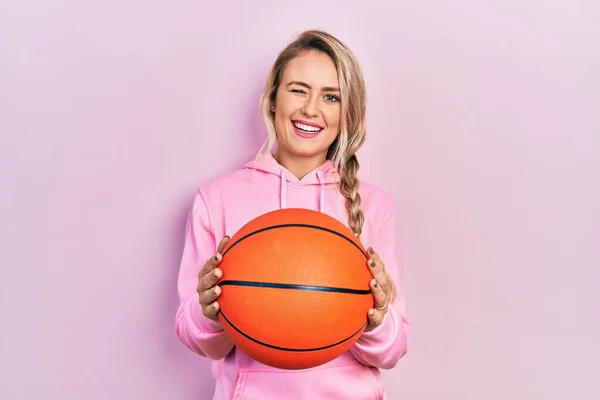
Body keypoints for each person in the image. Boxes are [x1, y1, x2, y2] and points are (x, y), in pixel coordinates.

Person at [175, 29, 409, 399]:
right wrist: (207, 309)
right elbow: (202, 342)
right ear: (272, 100)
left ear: (347, 112)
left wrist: (377, 316)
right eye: (299, 89)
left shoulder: (374, 205)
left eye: (331, 96)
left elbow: (393, 349)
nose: (311, 109)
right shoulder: (216, 198)